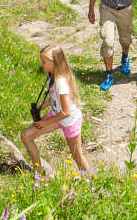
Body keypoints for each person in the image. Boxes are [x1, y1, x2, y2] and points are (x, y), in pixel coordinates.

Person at [20, 44, 91, 176]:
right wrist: (43, 106)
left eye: (44, 62)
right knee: (26, 136)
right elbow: (55, 99)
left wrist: (45, 123)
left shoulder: (61, 83)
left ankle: (92, 182)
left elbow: (66, 112)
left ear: (55, 62)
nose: (41, 64)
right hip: (56, 115)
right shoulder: (52, 75)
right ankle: (38, 172)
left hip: (69, 121)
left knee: (77, 155)